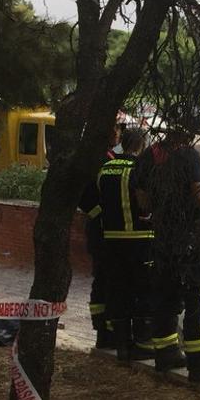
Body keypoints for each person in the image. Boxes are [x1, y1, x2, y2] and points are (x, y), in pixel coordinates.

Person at [135, 109, 200, 381]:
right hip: (191, 237)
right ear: (188, 132)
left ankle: (166, 354)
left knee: (165, 295)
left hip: (162, 237)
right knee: (199, 296)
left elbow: (142, 200)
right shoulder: (188, 156)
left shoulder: (148, 156)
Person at [79, 127, 155, 363]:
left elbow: (87, 198)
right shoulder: (140, 168)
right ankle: (141, 342)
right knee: (142, 291)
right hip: (140, 241)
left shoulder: (105, 167)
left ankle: (118, 343)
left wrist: (103, 217)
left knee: (116, 290)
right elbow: (147, 203)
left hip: (110, 240)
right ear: (141, 146)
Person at [81, 123, 121, 349]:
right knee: (106, 280)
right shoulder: (98, 161)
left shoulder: (109, 157)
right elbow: (83, 195)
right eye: (115, 129)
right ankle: (105, 331)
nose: (119, 133)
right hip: (102, 230)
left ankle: (107, 331)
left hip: (106, 229)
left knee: (105, 279)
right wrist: (100, 215)